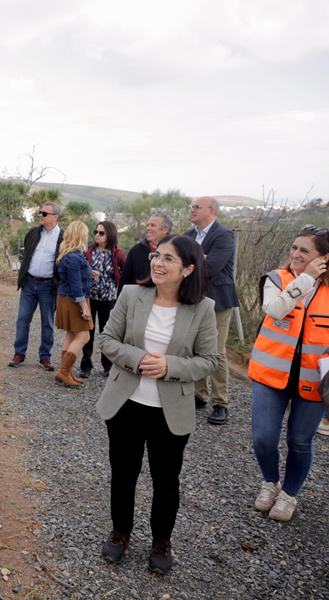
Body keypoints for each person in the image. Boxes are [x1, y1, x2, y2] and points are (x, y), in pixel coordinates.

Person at [96, 235, 219, 575]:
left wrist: (171, 366)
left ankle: (161, 542)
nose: (157, 263)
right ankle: (121, 533)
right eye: (156, 255)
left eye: (168, 258)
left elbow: (209, 360)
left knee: (166, 483)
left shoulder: (203, 308)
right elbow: (106, 340)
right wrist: (139, 359)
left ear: (188, 269)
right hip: (126, 405)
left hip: (171, 412)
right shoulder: (132, 295)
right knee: (123, 476)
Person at [248, 225, 329, 521]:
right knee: (264, 438)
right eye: (294, 248)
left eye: (304, 251)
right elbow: (275, 310)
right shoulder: (276, 278)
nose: (295, 254)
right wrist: (306, 278)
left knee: (299, 440)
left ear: (324, 258)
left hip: (315, 380)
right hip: (270, 373)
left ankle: (289, 495)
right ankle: (270, 482)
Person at [184, 197, 240, 425]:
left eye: (197, 207)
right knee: (193, 348)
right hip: (192, 298)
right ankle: (199, 395)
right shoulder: (188, 236)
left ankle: (220, 403)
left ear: (212, 211)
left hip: (218, 300)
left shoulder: (224, 234)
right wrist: (200, 258)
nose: (192, 210)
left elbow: (213, 267)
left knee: (215, 352)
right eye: (192, 207)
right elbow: (180, 263)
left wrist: (194, 259)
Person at [9, 202, 64, 371]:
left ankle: (45, 357)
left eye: (44, 213)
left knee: (47, 323)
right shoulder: (33, 232)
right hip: (29, 283)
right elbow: (26, 255)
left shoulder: (64, 237)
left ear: (55, 217)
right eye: (40, 212)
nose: (40, 215)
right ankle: (19, 353)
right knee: (22, 319)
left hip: (49, 286)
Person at [80, 221, 127, 378]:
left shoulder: (117, 253)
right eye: (96, 232)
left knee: (106, 332)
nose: (97, 235)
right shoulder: (88, 251)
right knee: (88, 331)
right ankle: (86, 366)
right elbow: (80, 269)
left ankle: (107, 366)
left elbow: (127, 269)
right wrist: (88, 273)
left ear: (110, 235)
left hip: (109, 298)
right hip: (90, 296)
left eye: (101, 233)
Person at [54, 221, 94, 386]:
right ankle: (64, 371)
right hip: (74, 300)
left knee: (71, 335)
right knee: (84, 336)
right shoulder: (72, 257)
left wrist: (91, 273)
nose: (87, 236)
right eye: (85, 233)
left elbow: (77, 278)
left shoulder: (74, 255)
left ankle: (66, 371)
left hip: (71, 298)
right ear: (80, 235)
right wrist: (84, 306)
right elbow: (75, 286)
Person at [117, 213, 173, 295]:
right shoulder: (136, 251)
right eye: (148, 225)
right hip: (137, 302)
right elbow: (125, 280)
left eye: (153, 225)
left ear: (165, 229)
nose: (148, 228)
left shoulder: (175, 252)